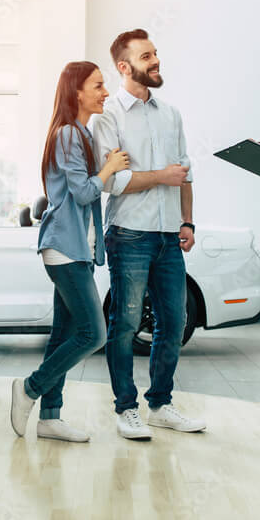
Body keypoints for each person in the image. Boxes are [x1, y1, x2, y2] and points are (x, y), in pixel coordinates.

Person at [92, 29, 206, 440]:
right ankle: (126, 408)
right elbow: (112, 182)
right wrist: (160, 176)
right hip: (129, 234)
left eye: (156, 53)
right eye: (146, 56)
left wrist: (187, 222)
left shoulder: (170, 114)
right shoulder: (107, 117)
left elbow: (185, 173)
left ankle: (160, 403)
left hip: (167, 236)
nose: (156, 60)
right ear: (125, 67)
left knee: (173, 323)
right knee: (123, 323)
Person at [10, 61, 130, 442]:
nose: (105, 92)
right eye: (97, 85)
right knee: (94, 333)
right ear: (76, 91)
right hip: (63, 248)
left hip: (75, 248)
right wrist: (109, 167)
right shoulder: (67, 135)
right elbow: (82, 193)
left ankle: (49, 416)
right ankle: (29, 388)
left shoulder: (78, 133)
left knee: (63, 334)